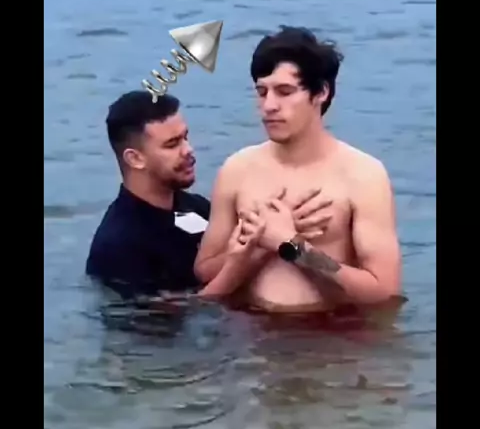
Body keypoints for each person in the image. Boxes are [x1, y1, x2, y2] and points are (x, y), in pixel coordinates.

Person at [194, 26, 402, 313]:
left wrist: (294, 247)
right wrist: (259, 247)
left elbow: (384, 292)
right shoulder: (238, 169)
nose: (269, 106)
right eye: (261, 92)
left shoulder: (363, 175)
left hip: (328, 330)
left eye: (285, 92)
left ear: (321, 92)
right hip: (251, 329)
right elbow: (205, 270)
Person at [86, 90, 212, 299]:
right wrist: (241, 263)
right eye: (172, 144)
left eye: (185, 137)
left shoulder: (196, 207)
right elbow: (173, 314)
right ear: (135, 159)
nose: (188, 150)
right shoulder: (119, 246)